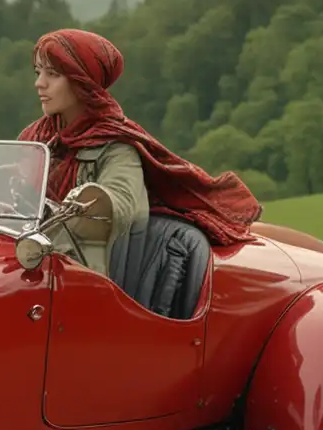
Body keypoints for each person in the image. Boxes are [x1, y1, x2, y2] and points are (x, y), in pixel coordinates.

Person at [19, 29, 264, 278]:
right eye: (38, 72)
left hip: (84, 277)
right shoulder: (36, 139)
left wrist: (90, 204)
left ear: (81, 81)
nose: (39, 83)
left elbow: (122, 207)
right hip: (31, 263)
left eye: (53, 74)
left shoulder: (116, 146)